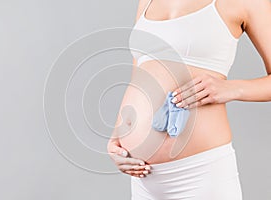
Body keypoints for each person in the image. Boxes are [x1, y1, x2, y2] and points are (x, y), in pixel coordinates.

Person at [107, 0, 271, 199]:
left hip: (201, 175)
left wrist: (232, 88)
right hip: (143, 181)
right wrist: (117, 136)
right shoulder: (146, 2)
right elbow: (139, 75)